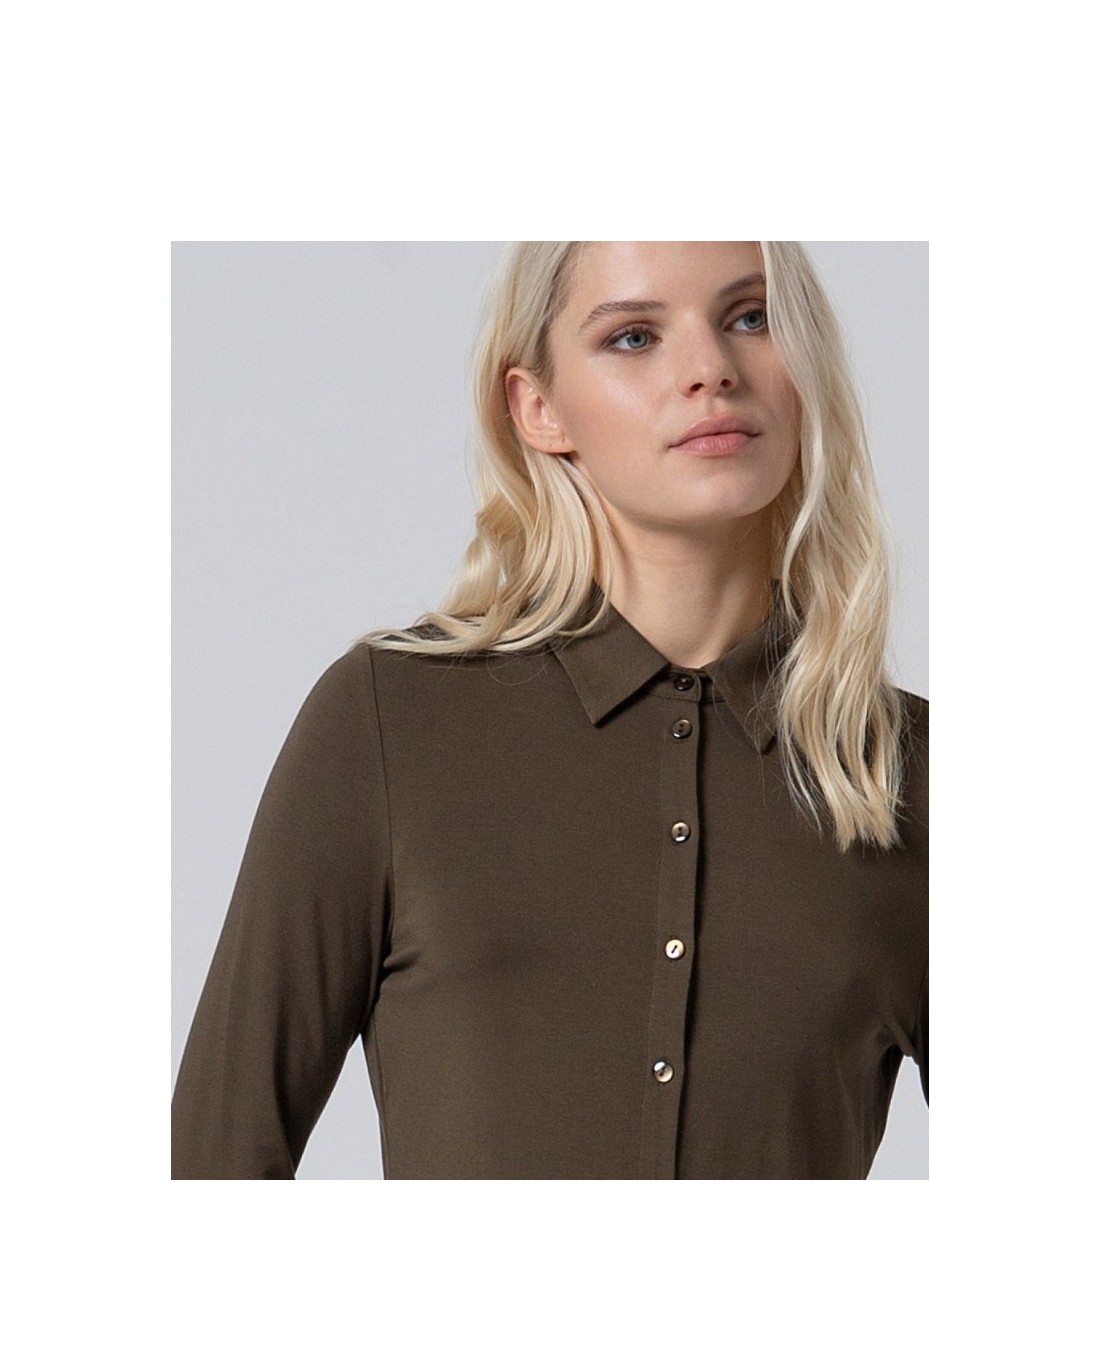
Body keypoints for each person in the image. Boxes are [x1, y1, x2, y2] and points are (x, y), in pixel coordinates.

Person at [171, 241, 928, 1180]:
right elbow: (213, 1163)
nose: (711, 370)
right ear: (538, 409)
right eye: (634, 336)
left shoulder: (910, 772)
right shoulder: (388, 724)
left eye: (751, 317)